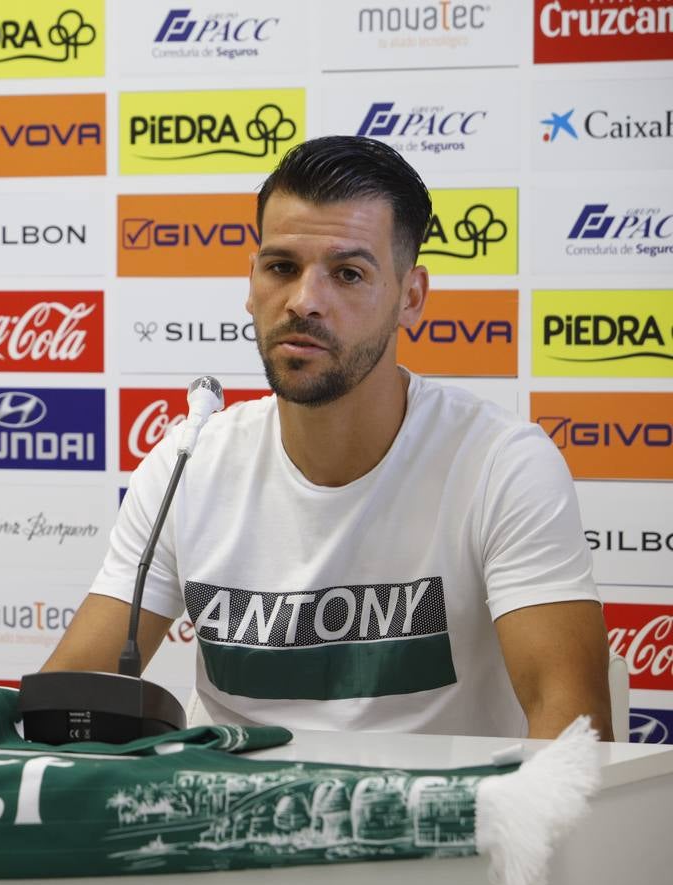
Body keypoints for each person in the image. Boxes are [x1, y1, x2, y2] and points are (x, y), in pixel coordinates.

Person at [43, 136, 613, 740]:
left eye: (348, 274)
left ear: (410, 297)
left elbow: (572, 726)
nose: (305, 302)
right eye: (282, 267)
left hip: (439, 825)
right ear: (252, 282)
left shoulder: (501, 463)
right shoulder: (189, 460)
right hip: (226, 818)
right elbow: (66, 700)